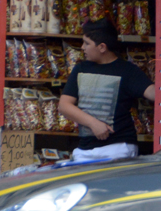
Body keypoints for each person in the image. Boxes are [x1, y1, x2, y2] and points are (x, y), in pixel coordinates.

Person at [58, 19, 155, 161]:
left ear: (102, 47)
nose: (82, 47)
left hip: (119, 147)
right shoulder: (81, 69)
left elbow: (154, 93)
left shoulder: (128, 71)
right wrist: (93, 123)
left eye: (87, 43)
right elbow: (64, 106)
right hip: (85, 149)